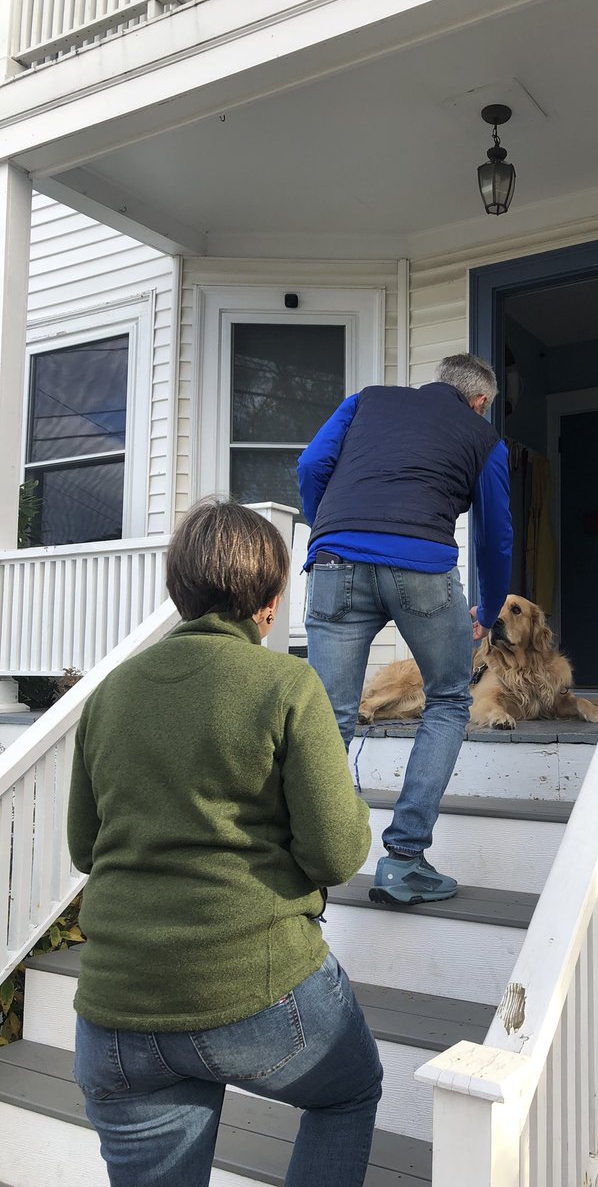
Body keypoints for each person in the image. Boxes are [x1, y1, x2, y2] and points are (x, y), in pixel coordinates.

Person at [67, 500, 382, 1187]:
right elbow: (335, 853)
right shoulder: (286, 683)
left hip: (117, 1015)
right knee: (350, 1091)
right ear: (268, 606)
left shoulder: (109, 695)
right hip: (256, 993)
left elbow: (85, 849)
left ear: (180, 591)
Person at [297, 353, 513, 906]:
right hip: (423, 566)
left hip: (335, 563)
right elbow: (494, 537)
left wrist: (331, 529)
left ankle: (299, 860)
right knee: (447, 700)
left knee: (327, 715)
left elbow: (310, 467)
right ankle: (404, 863)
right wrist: (487, 614)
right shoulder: (484, 437)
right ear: (480, 401)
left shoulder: (365, 400)